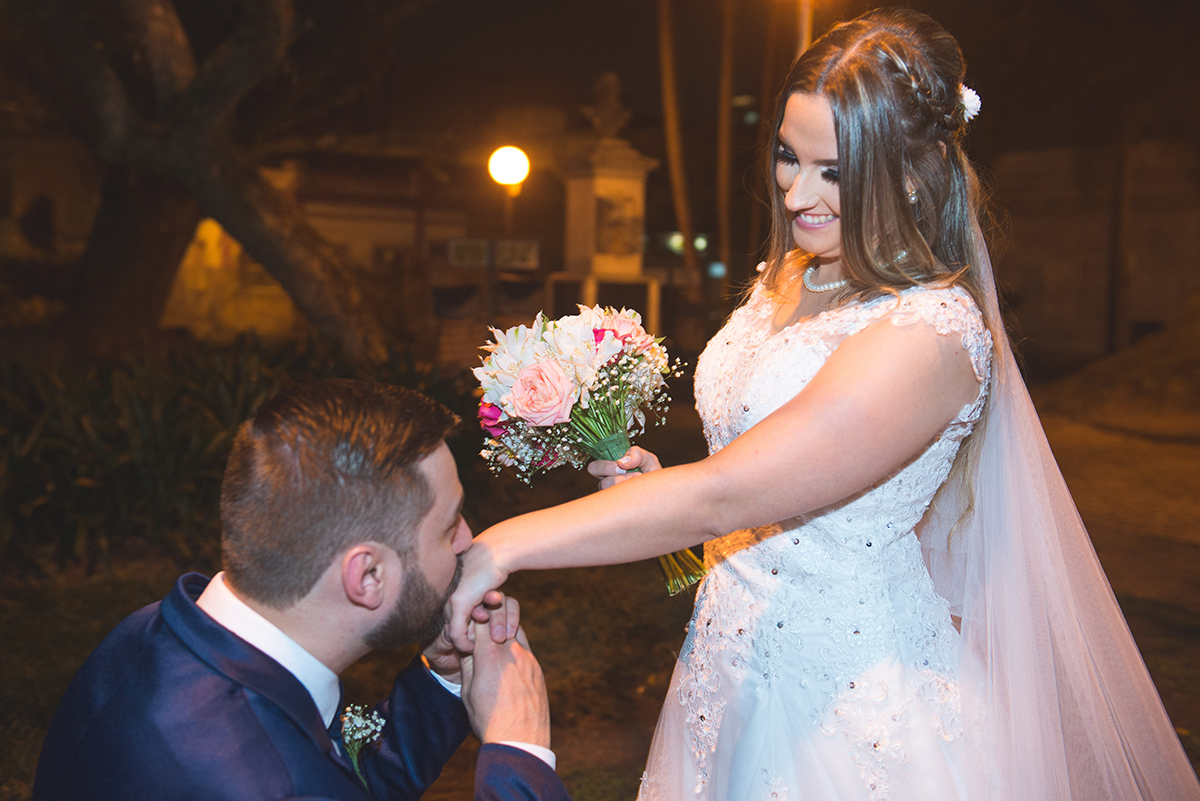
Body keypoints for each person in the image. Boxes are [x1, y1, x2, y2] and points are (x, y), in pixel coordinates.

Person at [448, 8, 1200, 801]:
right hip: (724, 673)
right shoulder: (792, 276)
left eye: (833, 172)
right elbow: (757, 509)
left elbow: (728, 492)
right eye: (787, 155)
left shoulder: (928, 336)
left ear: (910, 174)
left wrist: (503, 545)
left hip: (852, 716)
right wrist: (658, 500)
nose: (797, 191)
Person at [33, 380, 571, 801]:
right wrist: (519, 755)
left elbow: (332, 772)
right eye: (449, 524)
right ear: (367, 576)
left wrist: (443, 679)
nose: (468, 539)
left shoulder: (148, 634)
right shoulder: (273, 785)